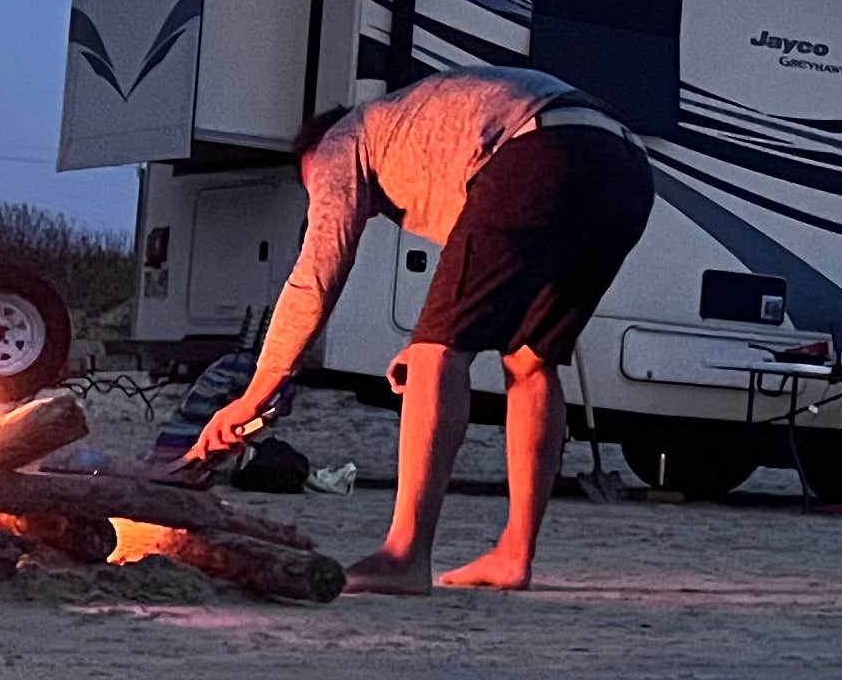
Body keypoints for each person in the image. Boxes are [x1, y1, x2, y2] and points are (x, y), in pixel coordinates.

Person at [173, 64, 655, 594]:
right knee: (529, 360)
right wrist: (425, 346)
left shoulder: (341, 143)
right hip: (625, 166)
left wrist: (254, 394)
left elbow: (316, 274)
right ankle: (515, 555)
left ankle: (405, 555)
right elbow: (482, 265)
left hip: (541, 150)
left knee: (437, 353)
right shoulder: (417, 134)